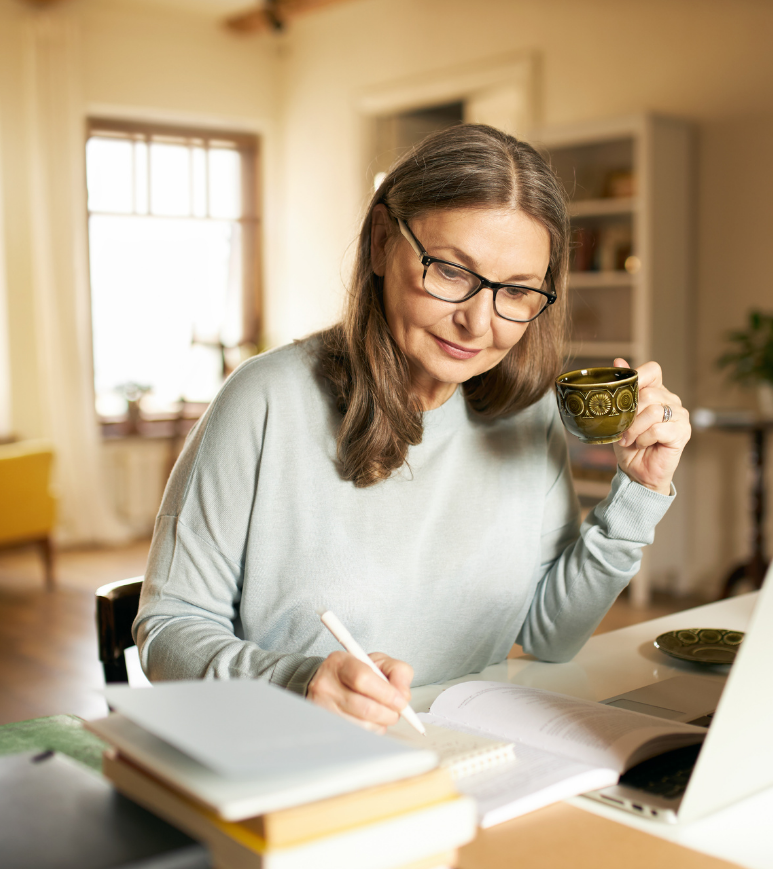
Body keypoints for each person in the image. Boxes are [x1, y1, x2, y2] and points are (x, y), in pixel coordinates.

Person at [133, 124, 691, 734]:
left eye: (518, 291)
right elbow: (168, 628)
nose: (479, 323)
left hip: (465, 751)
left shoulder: (526, 416)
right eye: (452, 271)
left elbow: (552, 636)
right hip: (295, 750)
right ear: (380, 242)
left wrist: (638, 491)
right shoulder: (265, 400)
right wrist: (297, 682)